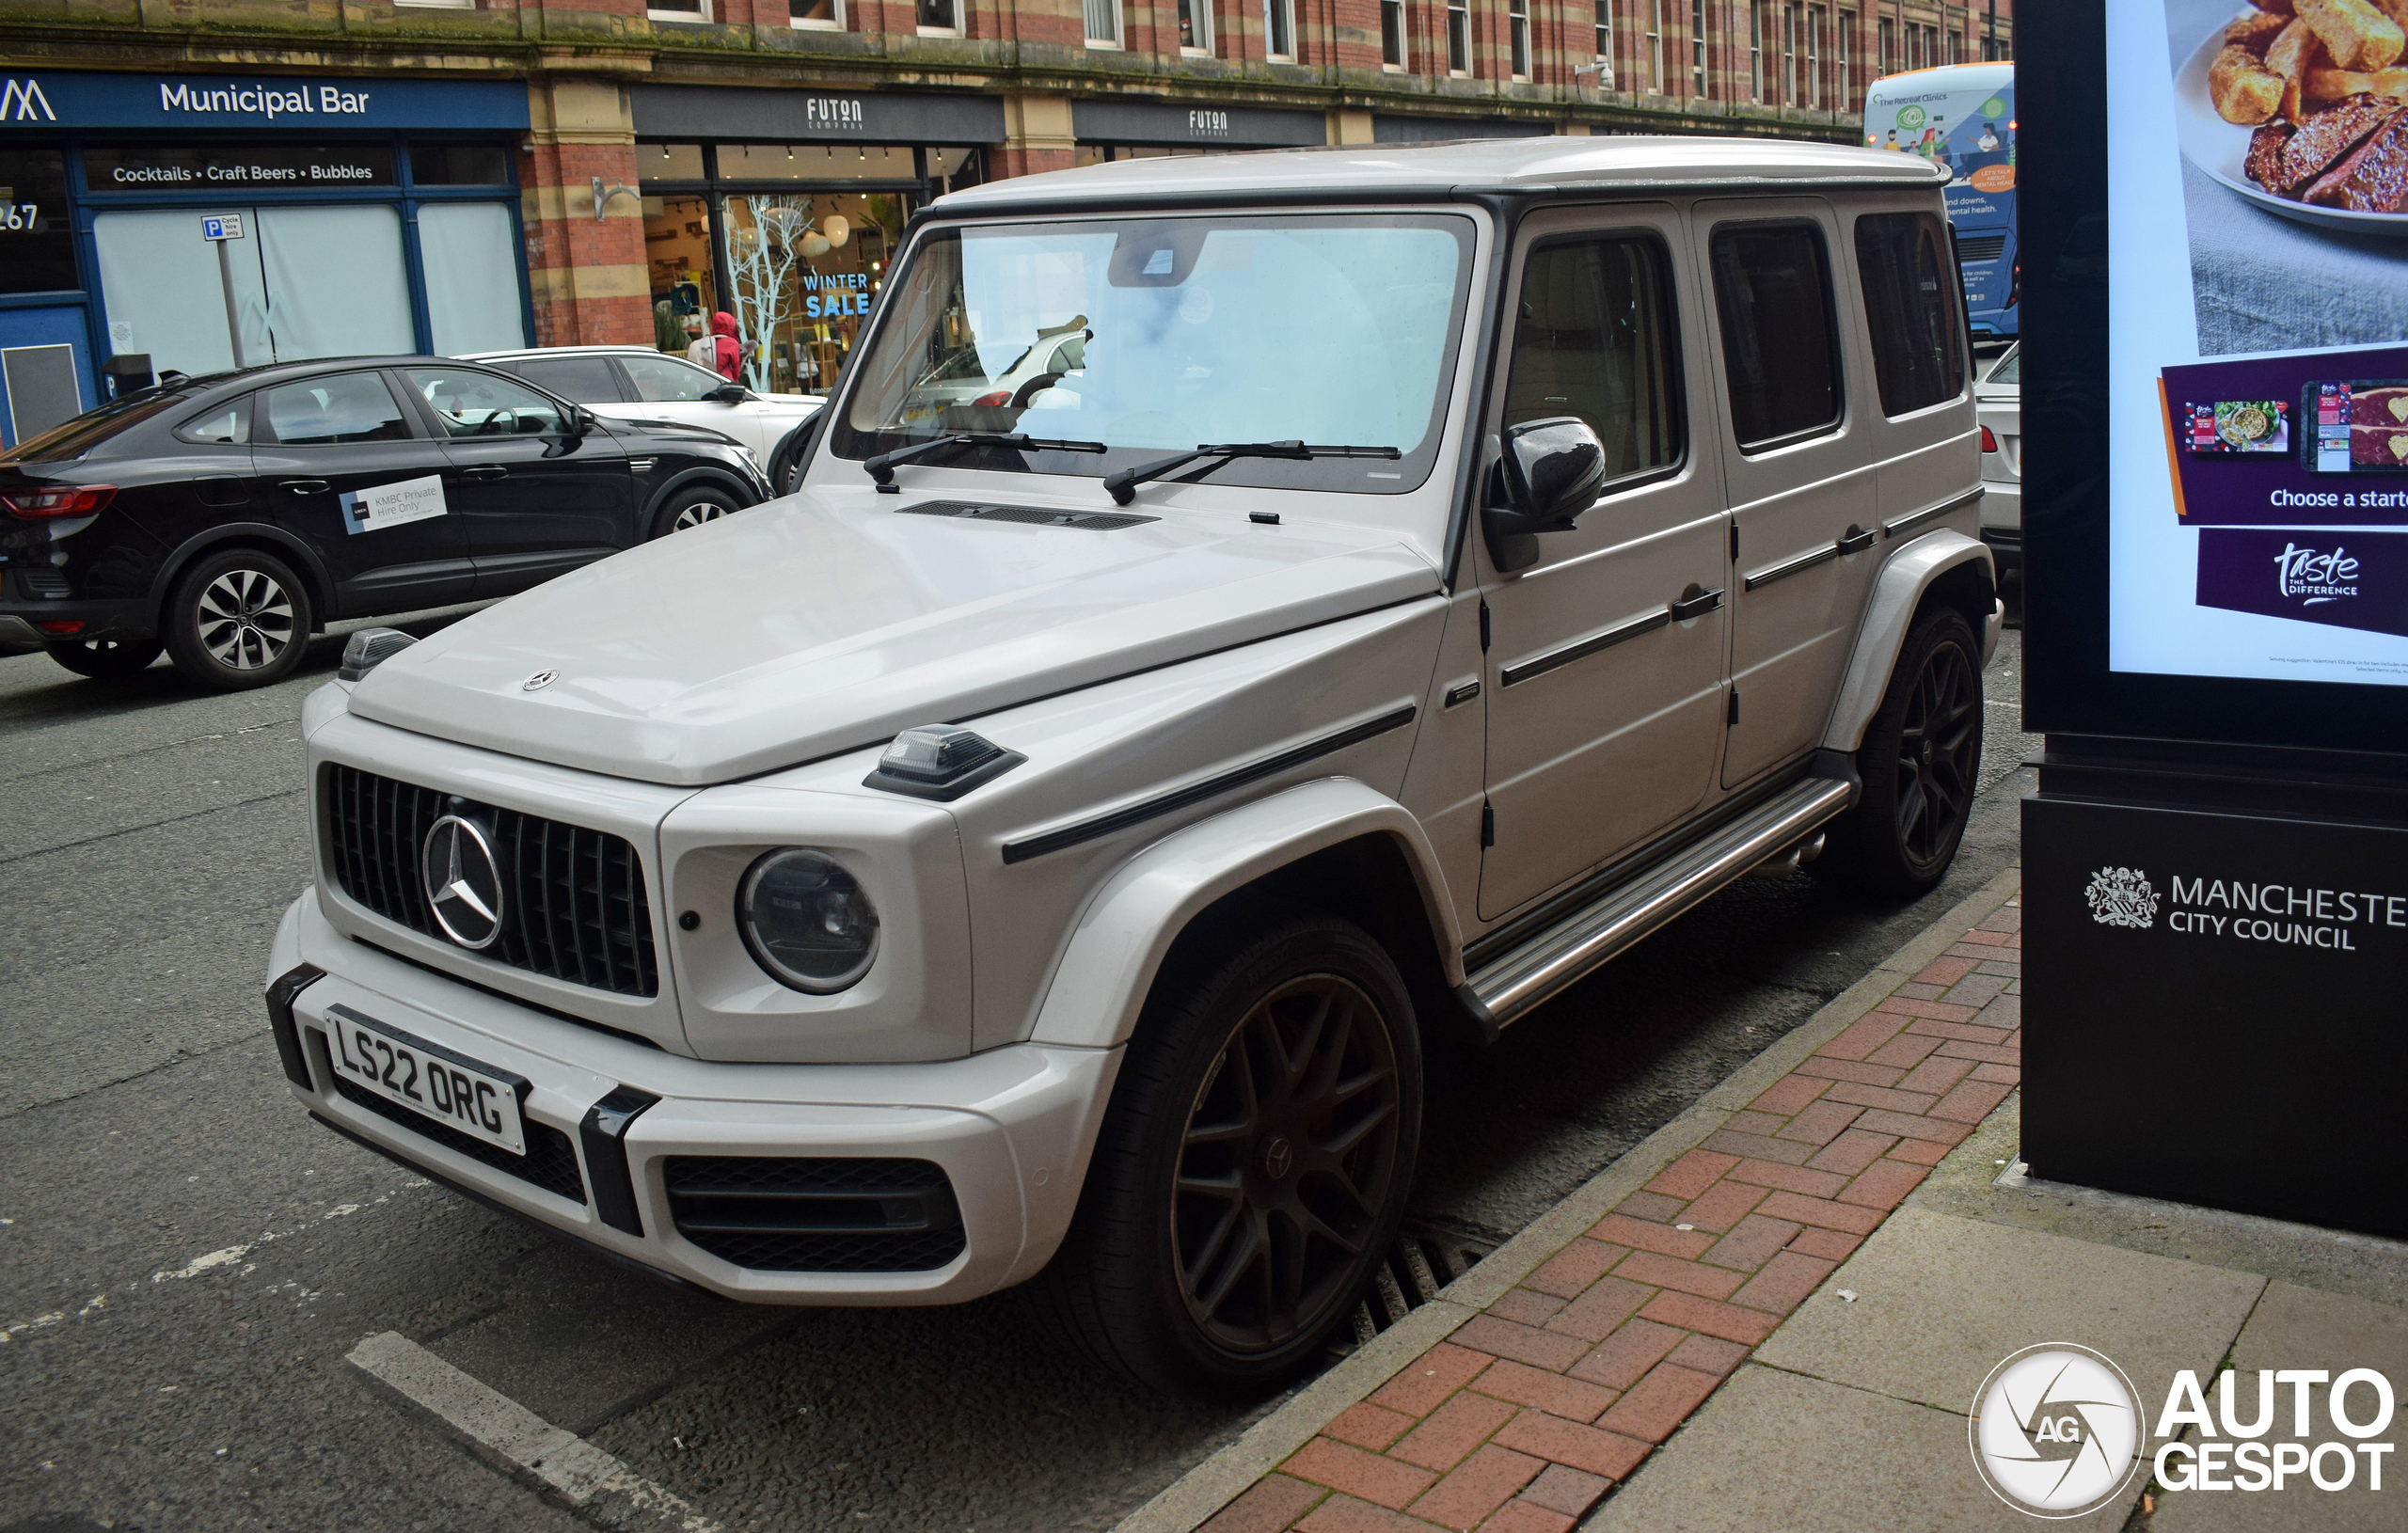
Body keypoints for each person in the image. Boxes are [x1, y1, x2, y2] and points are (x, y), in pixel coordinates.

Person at [704, 311, 743, 383]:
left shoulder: (707, 342)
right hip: (725, 382)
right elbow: (736, 368)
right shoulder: (732, 343)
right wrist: (736, 381)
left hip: (707, 382)